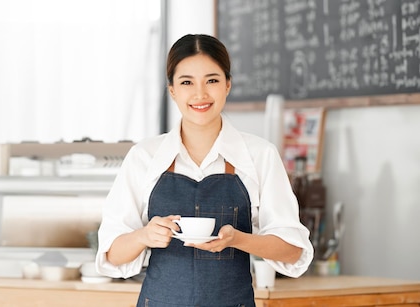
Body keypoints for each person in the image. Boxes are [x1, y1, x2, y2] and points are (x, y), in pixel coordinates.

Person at [95, 34, 314, 307]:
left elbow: (293, 251)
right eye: (187, 82)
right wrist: (144, 236)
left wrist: (240, 239)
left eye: (212, 80)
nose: (200, 94)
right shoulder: (144, 157)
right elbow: (112, 254)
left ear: (228, 85)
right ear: (172, 89)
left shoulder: (260, 155)